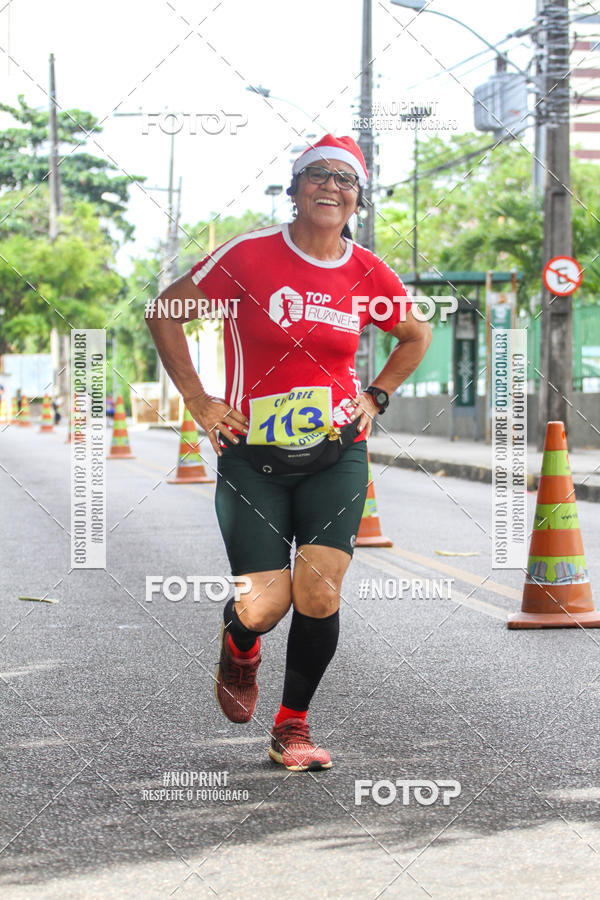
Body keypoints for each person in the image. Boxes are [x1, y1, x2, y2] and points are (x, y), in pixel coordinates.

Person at [146, 134, 431, 772]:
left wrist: (376, 395)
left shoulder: (367, 272)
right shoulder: (248, 257)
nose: (332, 188)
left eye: (345, 180)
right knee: (265, 604)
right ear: (295, 188)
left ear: (357, 198)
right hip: (253, 456)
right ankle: (240, 643)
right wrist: (200, 401)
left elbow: (415, 334)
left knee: (320, 594)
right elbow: (165, 312)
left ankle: (292, 727)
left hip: (338, 452)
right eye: (319, 176)